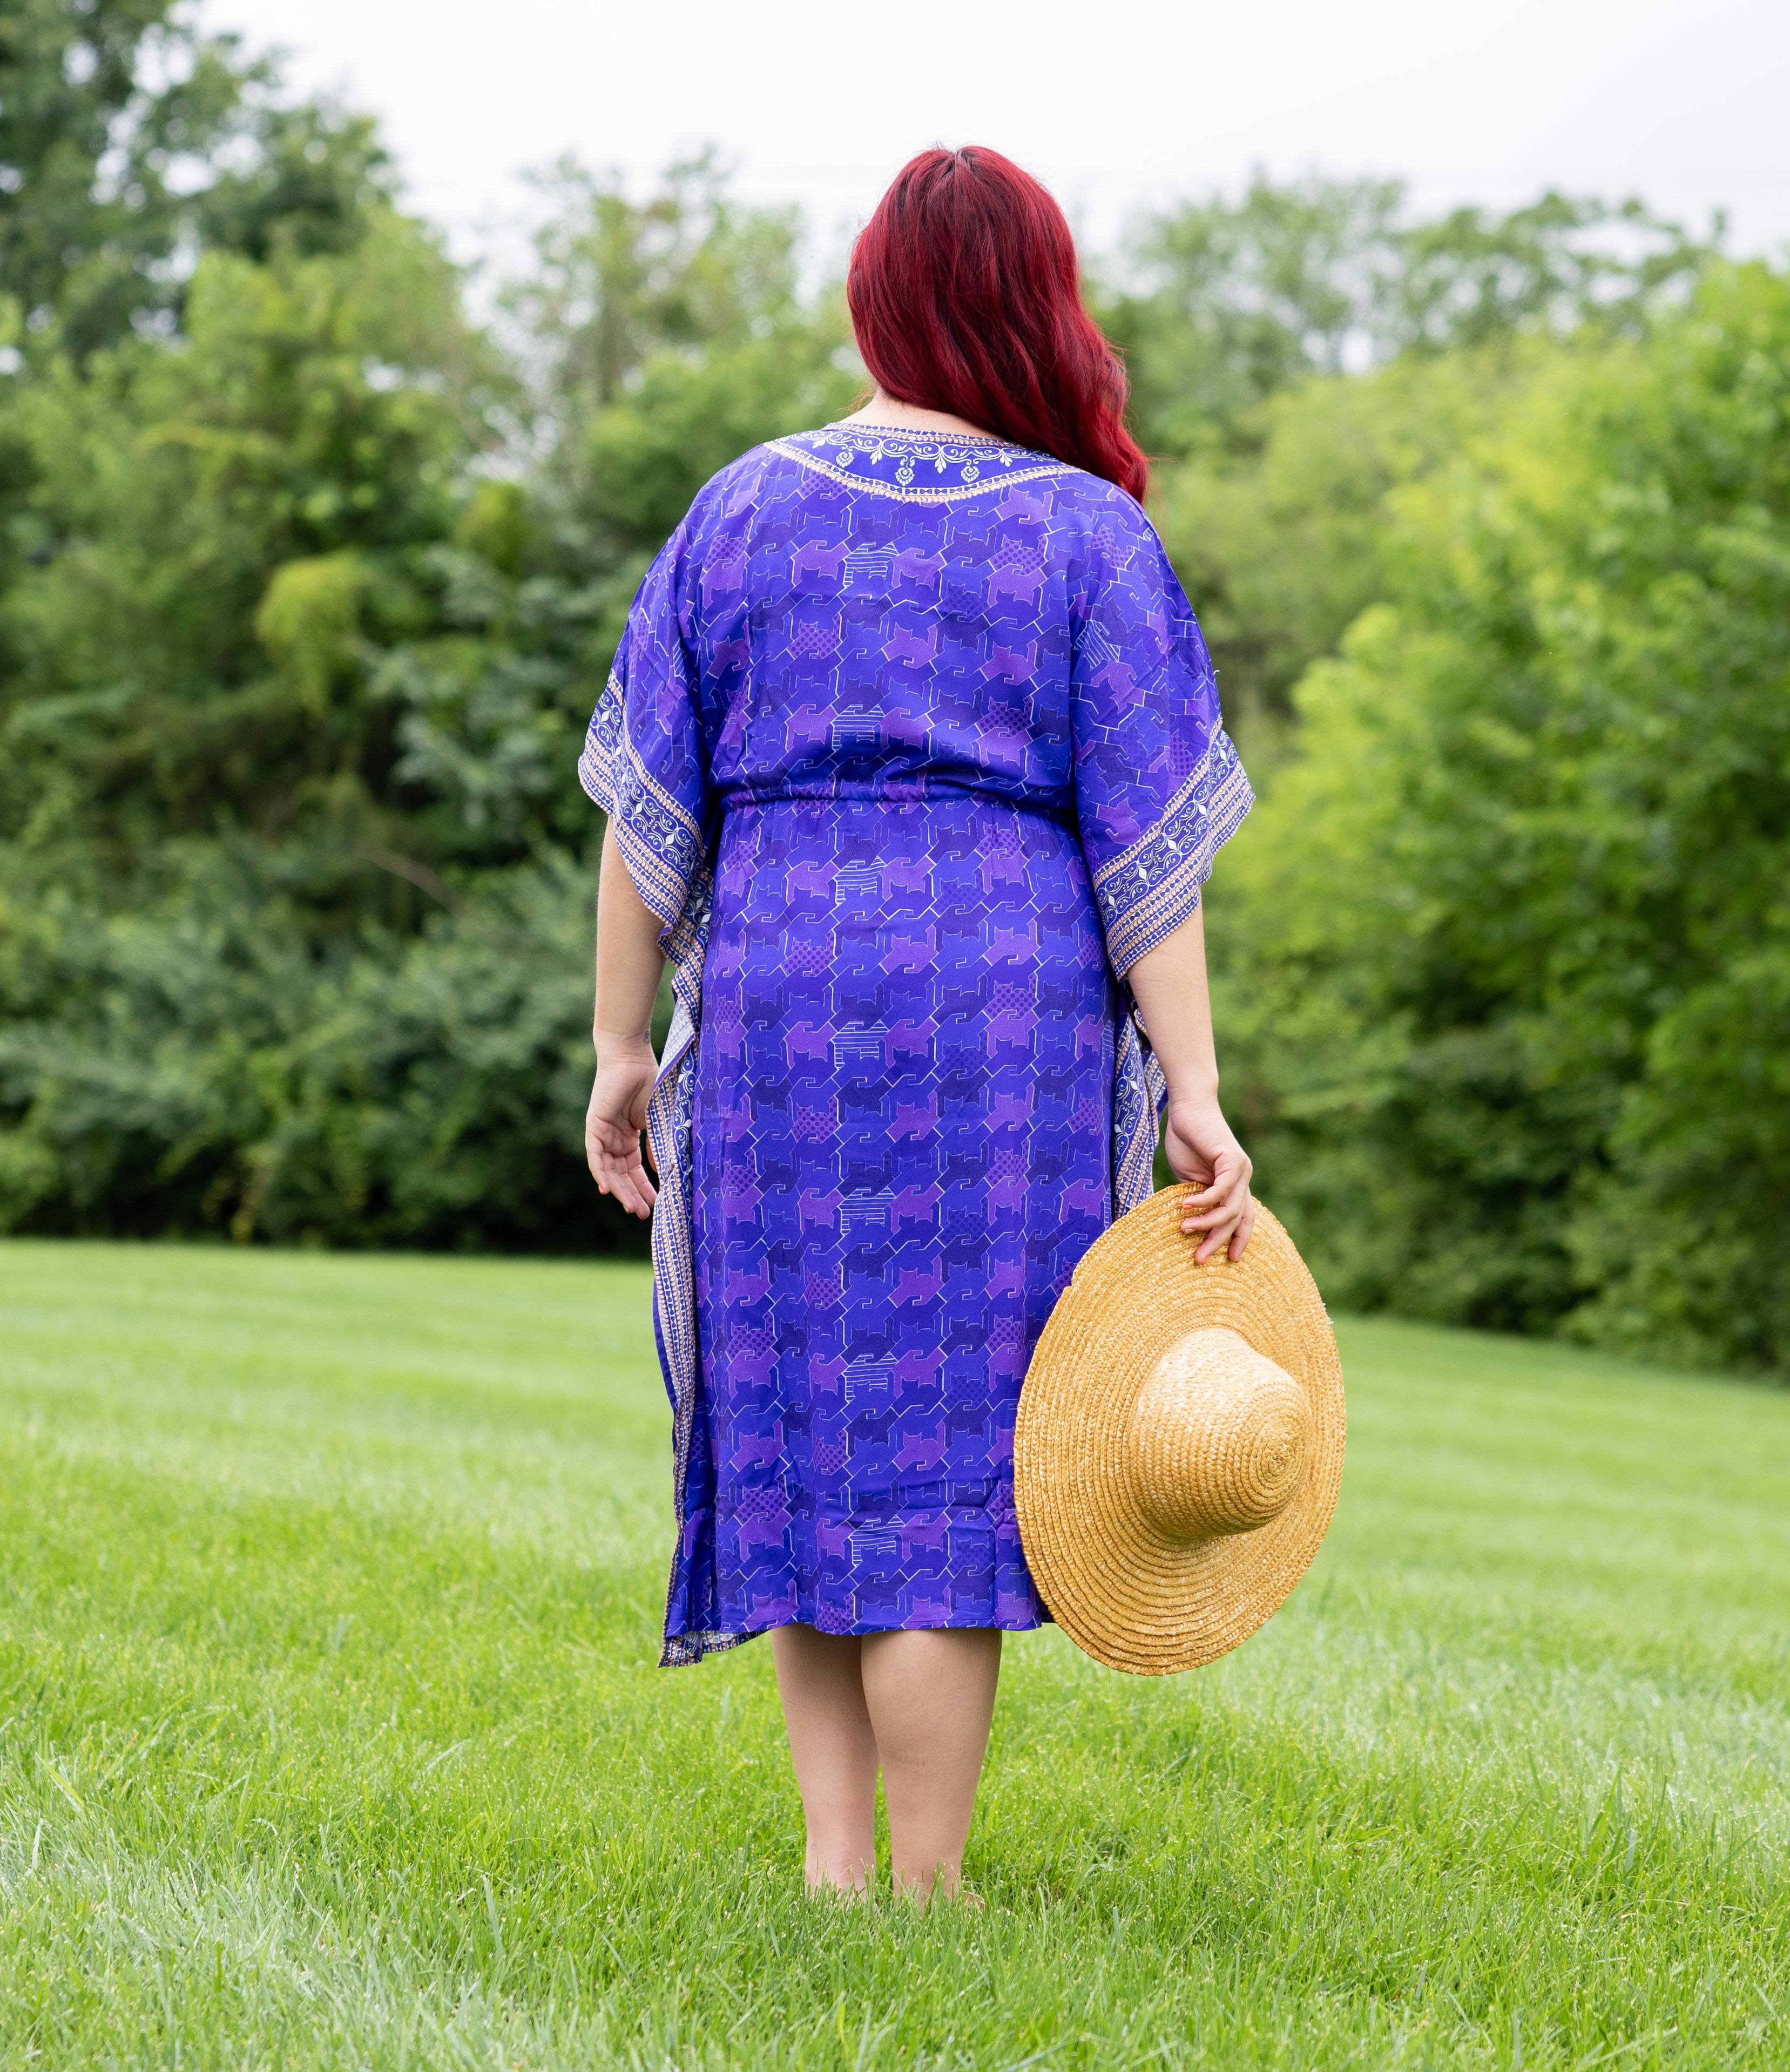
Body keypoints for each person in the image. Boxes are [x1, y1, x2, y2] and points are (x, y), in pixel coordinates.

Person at [581, 145, 1257, 1904]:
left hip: (785, 1000)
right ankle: (929, 1879)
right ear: (1040, 309)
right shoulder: (1088, 537)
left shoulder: (740, 510)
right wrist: (1197, 1088)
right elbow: (1151, 858)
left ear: (874, 299)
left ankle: (836, 1868)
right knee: (960, 1434)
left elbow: (648, 818)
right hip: (1001, 1024)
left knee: (808, 1411)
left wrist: (621, 1047)